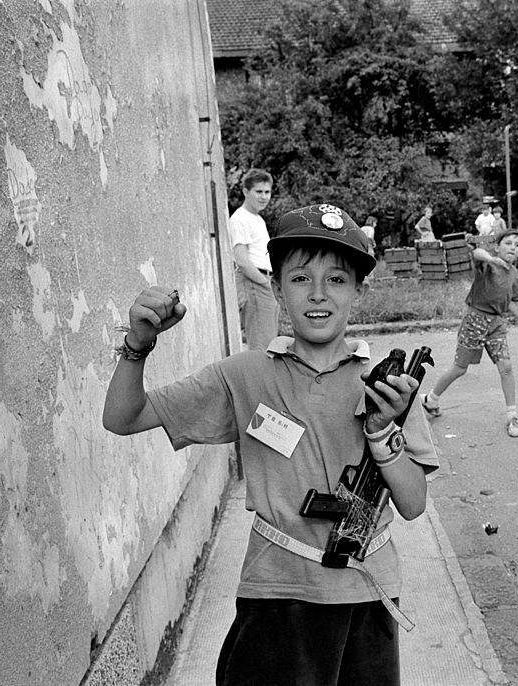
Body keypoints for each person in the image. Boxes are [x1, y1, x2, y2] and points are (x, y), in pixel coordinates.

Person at [102, 204, 438, 685]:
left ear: (358, 291)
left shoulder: (388, 386)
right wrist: (138, 345)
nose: (318, 294)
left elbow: (413, 503)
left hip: (369, 596)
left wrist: (383, 431)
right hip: (276, 597)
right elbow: (123, 417)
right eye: (300, 278)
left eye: (337, 279)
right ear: (276, 288)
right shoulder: (245, 376)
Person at [420, 228, 518, 438]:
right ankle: (430, 400)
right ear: (498, 247)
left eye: (517, 245)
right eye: (508, 243)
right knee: (460, 368)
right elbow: (476, 254)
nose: (513, 248)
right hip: (475, 320)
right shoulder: (487, 265)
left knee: (506, 367)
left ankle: (512, 415)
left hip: (496, 324)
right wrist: (492, 259)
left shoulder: (513, 273)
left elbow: (510, 302)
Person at [230, 168, 279, 351]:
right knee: (261, 345)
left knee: (269, 341)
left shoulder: (257, 218)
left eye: (267, 192)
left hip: (265, 280)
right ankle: (258, 380)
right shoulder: (240, 218)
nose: (264, 197)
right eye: (258, 192)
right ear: (245, 192)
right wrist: (264, 284)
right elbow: (242, 260)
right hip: (255, 282)